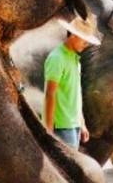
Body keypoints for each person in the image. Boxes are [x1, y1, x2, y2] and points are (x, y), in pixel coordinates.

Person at [43, 17, 100, 149]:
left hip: (73, 125)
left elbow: (76, 94)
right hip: (61, 126)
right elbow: (49, 94)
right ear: (73, 35)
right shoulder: (57, 58)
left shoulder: (75, 59)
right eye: (83, 39)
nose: (86, 43)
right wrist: (49, 128)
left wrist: (82, 123)